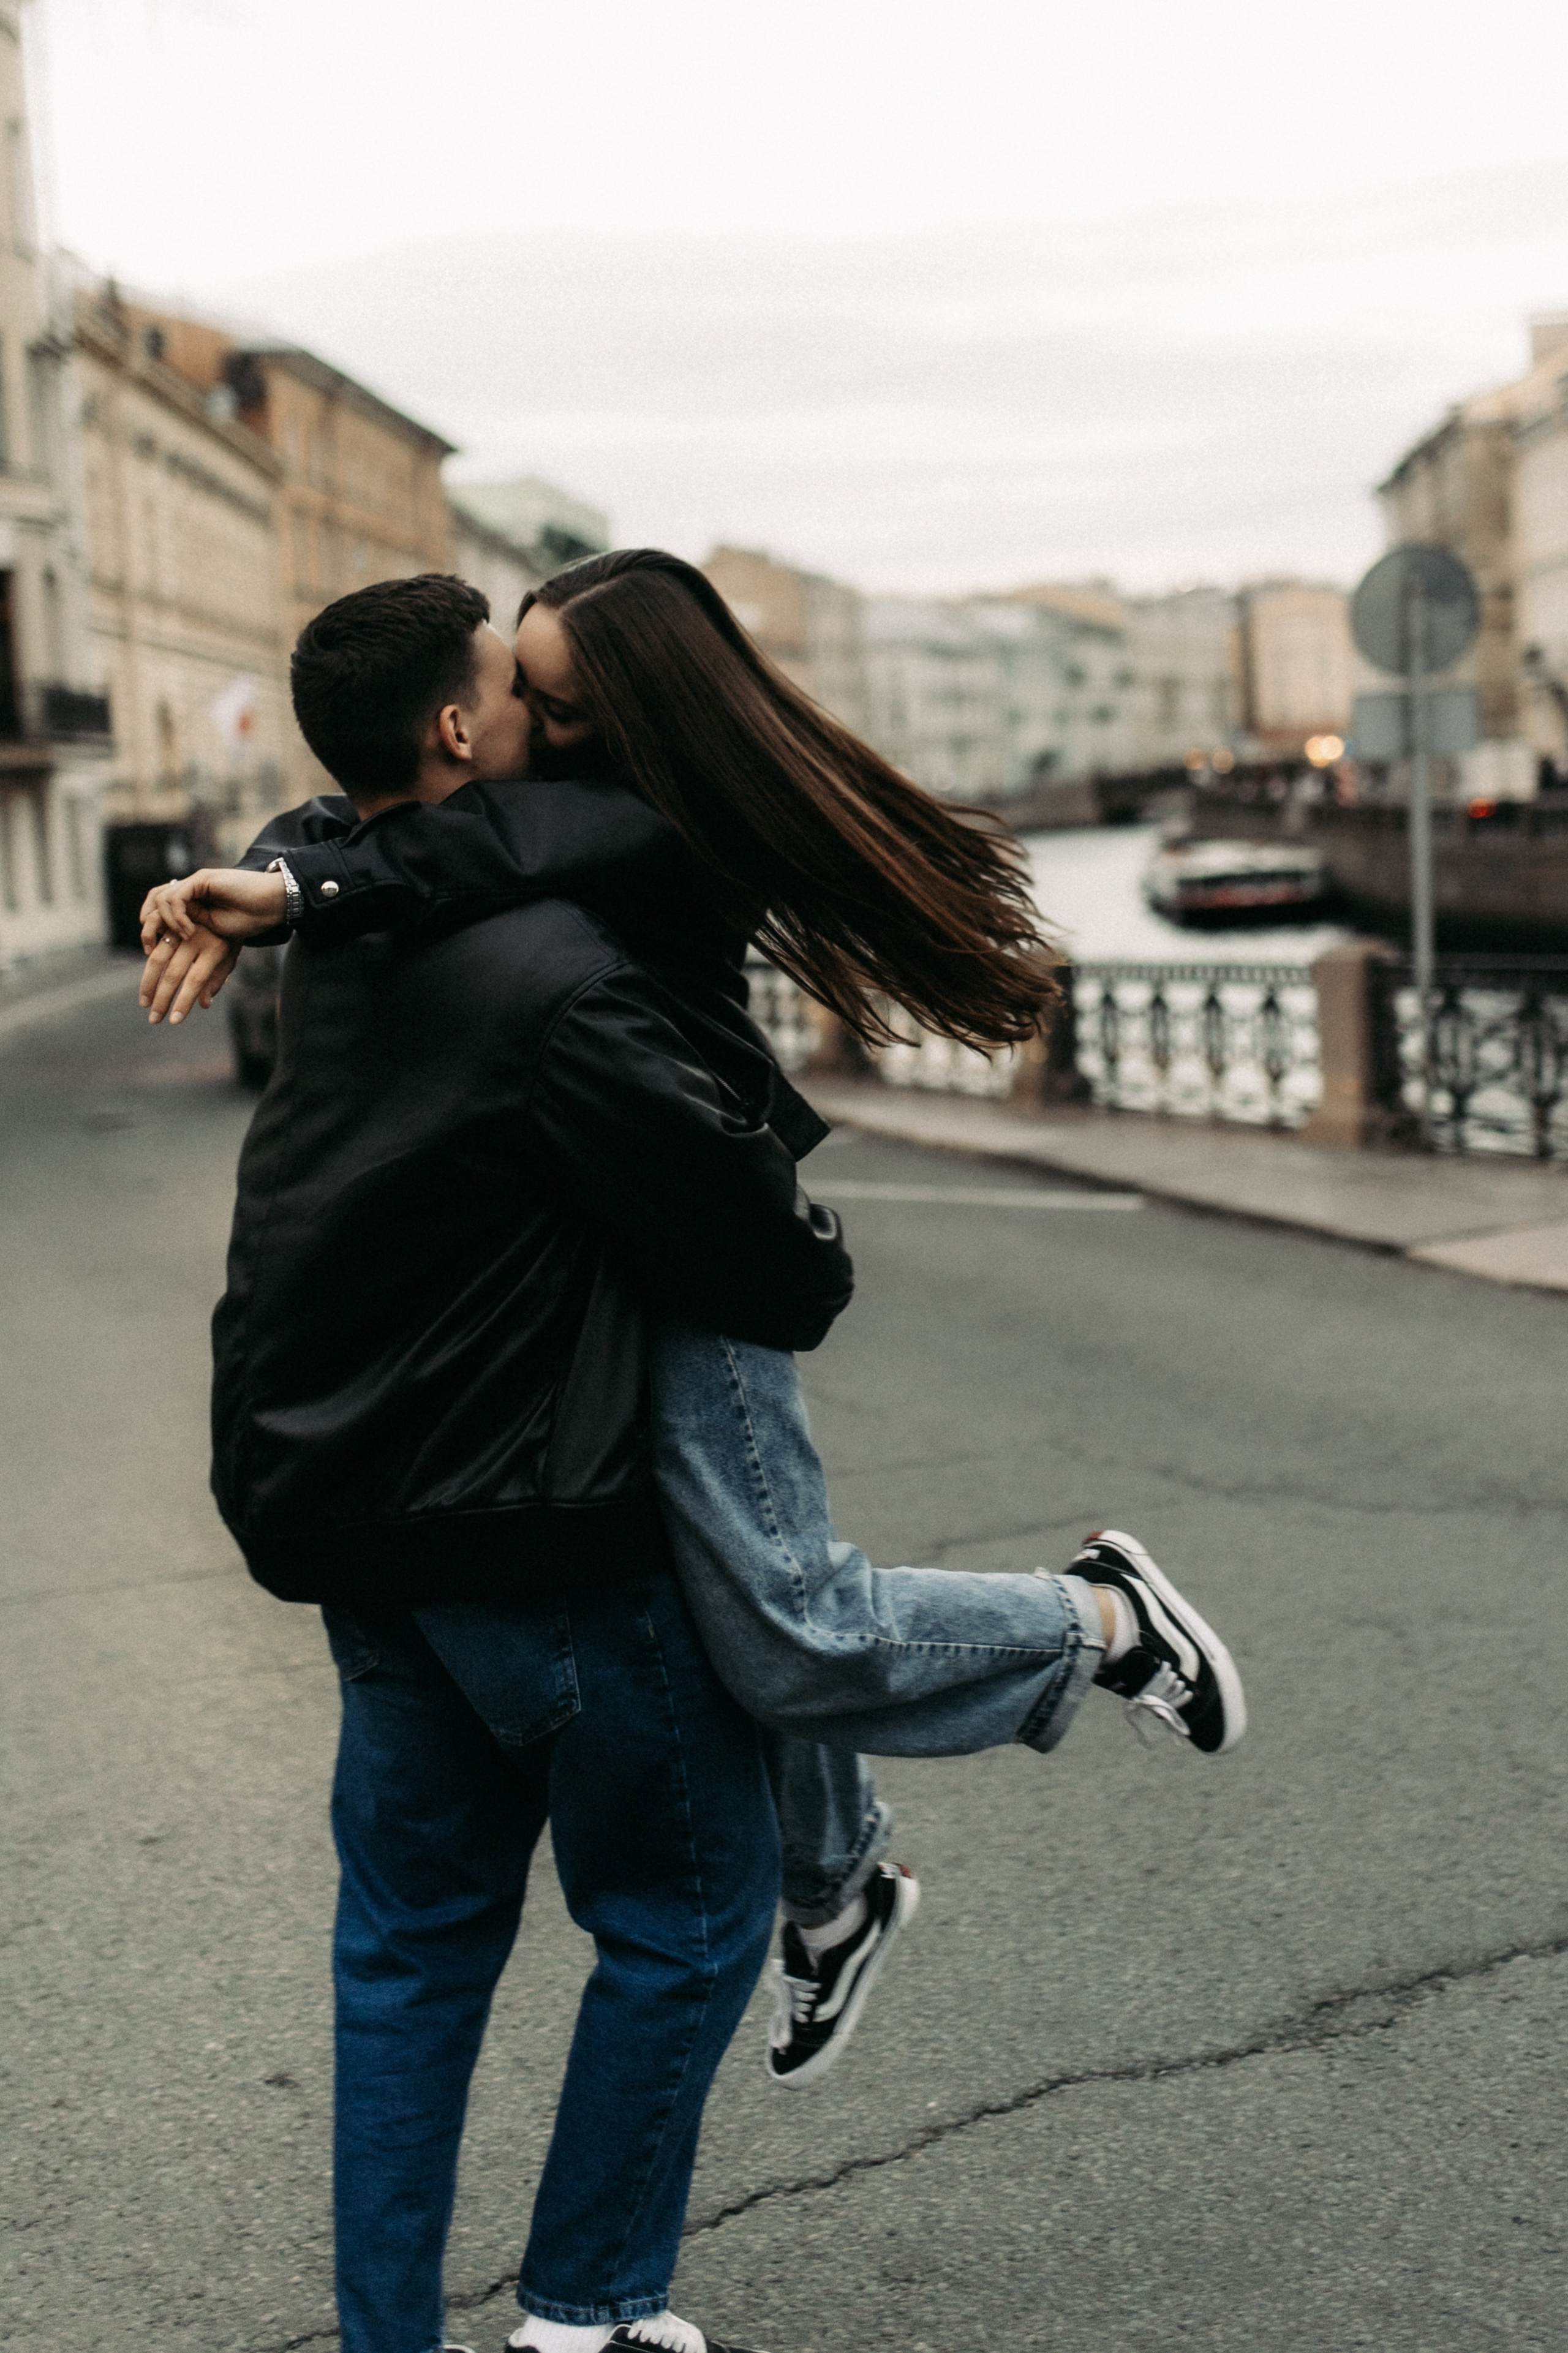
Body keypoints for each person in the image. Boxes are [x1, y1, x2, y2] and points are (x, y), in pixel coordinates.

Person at [142, 559, 1246, 2096]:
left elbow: (465, 844)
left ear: (617, 714)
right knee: (702, 1598)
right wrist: (276, 866)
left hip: (684, 1240)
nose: (515, 710)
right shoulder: (523, 786)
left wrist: (301, 883)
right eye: (508, 679)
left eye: (546, 693)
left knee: (787, 1626)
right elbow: (400, 825)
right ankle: (837, 1883)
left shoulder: (645, 817)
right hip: (584, 1238)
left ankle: (1100, 1626)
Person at [172, 576, 865, 2353]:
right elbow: (757, 1263)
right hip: (540, 1531)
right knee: (689, 1925)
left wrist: (282, 876)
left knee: (407, 1957)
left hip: (355, 1528)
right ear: (463, 734)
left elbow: (363, 844)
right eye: (521, 697)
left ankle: (390, 2337)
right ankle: (585, 2305)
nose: (552, 732)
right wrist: (814, 1246)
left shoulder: (327, 922)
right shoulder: (562, 969)